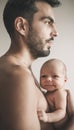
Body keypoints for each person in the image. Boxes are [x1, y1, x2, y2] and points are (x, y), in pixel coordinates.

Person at [0, 0, 74, 130]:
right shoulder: (18, 76)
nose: (56, 33)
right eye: (47, 22)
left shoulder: (22, 70)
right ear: (21, 26)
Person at [38, 58, 68, 128]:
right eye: (44, 76)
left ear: (65, 80)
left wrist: (47, 117)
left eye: (55, 76)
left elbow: (61, 112)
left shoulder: (59, 93)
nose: (48, 79)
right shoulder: (48, 93)